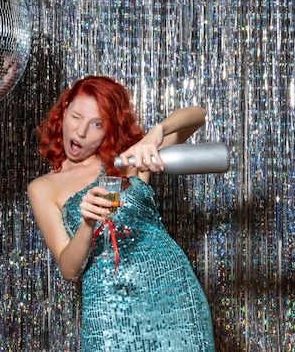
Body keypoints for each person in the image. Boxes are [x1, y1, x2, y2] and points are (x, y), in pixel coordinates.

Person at [27, 76, 215, 351]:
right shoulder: (43, 188)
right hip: (108, 306)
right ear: (64, 109)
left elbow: (198, 116)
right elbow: (69, 269)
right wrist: (87, 223)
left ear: (109, 129)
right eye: (76, 117)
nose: (80, 132)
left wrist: (155, 133)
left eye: (96, 124)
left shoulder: (131, 159)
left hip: (172, 293)